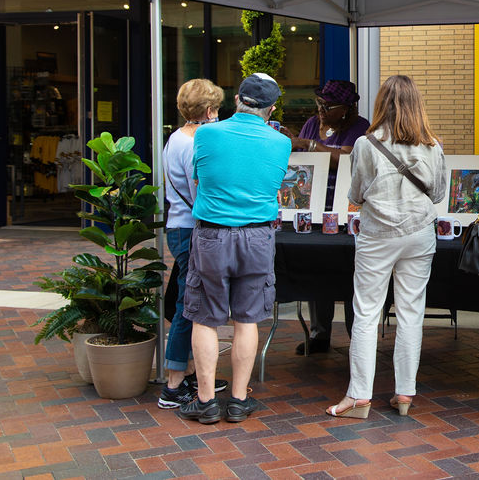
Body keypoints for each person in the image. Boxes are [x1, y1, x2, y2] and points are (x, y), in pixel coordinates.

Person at [324, 75, 447, 419]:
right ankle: (404, 394)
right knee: (411, 312)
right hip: (419, 232)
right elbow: (437, 194)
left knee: (366, 312)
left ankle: (359, 396)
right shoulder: (432, 145)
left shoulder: (366, 145)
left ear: (381, 105)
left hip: (378, 234)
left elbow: (355, 195)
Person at [178, 73, 291, 425]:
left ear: (237, 99)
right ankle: (240, 400)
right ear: (271, 109)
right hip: (258, 236)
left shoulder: (207, 134)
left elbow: (199, 178)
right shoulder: (280, 142)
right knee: (247, 318)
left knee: (205, 317)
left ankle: (206, 400)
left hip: (212, 235)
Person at [157, 79, 230, 409]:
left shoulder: (175, 138)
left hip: (177, 226)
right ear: (210, 109)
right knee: (191, 303)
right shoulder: (198, 143)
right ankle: (173, 384)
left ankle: (191, 374)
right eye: (216, 107)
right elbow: (201, 197)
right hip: (194, 229)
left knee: (190, 299)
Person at [282, 79, 369, 355]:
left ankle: (358, 337)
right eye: (319, 102)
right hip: (313, 206)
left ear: (346, 108)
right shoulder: (310, 124)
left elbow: (348, 157)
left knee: (351, 272)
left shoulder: (360, 128)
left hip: (345, 207)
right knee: (316, 269)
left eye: (328, 105)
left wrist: (307, 144)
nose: (321, 109)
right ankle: (320, 333)